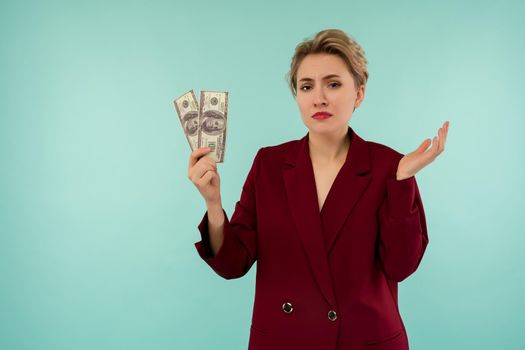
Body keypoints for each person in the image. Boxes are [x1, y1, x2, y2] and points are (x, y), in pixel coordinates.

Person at [187, 29, 449, 350]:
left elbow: (400, 266)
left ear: (360, 93)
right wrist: (213, 203)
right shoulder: (269, 164)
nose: (319, 98)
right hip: (285, 340)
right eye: (306, 86)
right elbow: (232, 264)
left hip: (363, 340)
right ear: (296, 95)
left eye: (334, 84)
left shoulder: (390, 166)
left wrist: (402, 181)